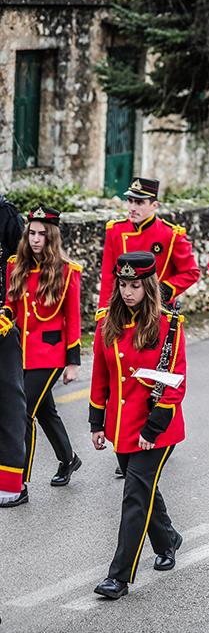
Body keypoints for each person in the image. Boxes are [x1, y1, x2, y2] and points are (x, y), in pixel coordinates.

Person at [89, 252, 186, 599]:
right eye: (123, 285)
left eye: (135, 286)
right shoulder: (107, 322)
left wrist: (151, 430)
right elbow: (101, 376)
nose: (128, 292)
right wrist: (96, 422)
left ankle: (119, 577)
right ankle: (168, 538)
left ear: (148, 286)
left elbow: (176, 385)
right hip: (120, 426)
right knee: (143, 491)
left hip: (156, 429)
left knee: (134, 497)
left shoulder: (167, 325)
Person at [5, 207, 82, 493]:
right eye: (32, 233)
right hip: (21, 351)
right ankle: (68, 459)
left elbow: (73, 318)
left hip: (51, 353)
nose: (36, 239)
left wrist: (72, 362)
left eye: (43, 235)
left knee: (22, 412)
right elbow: (11, 305)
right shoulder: (16, 265)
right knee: (46, 410)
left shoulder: (67, 271)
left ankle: (18, 481)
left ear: (52, 237)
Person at [99, 177, 200, 308]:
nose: (132, 208)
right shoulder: (115, 230)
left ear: (154, 206)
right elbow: (108, 278)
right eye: (130, 201)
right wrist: (104, 314)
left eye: (139, 203)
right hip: (122, 309)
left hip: (156, 308)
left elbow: (191, 272)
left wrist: (160, 292)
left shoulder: (171, 234)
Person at [0, 190, 26, 507]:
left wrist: (10, 310)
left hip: (2, 323)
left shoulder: (6, 215)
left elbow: (24, 268)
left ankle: (10, 483)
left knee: (8, 399)